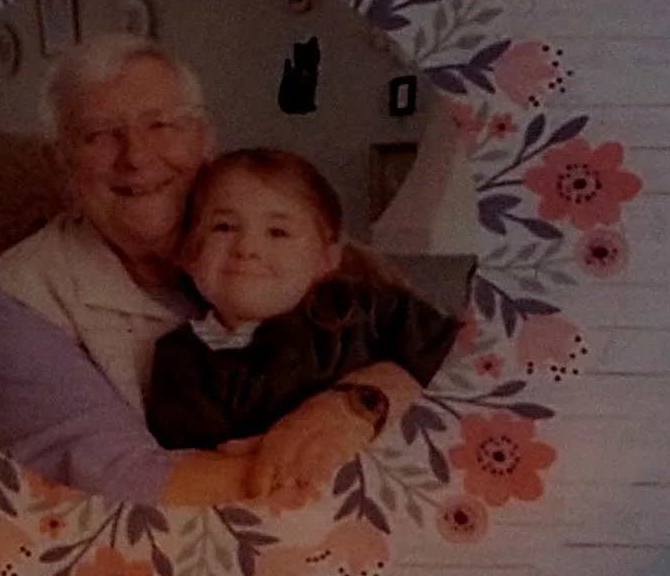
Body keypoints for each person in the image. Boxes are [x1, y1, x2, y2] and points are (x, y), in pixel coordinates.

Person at [0, 37, 418, 507]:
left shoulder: (293, 236)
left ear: (205, 140)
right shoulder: (19, 297)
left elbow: (429, 351)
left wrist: (357, 405)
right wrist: (328, 462)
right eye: (99, 134)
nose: (137, 156)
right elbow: (116, 482)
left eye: (162, 124)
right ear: (58, 162)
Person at [143, 150, 458, 503]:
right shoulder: (181, 360)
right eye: (224, 227)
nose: (247, 248)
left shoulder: (369, 311)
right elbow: (204, 465)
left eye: (277, 232)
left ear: (326, 258)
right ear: (188, 252)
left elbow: (463, 366)